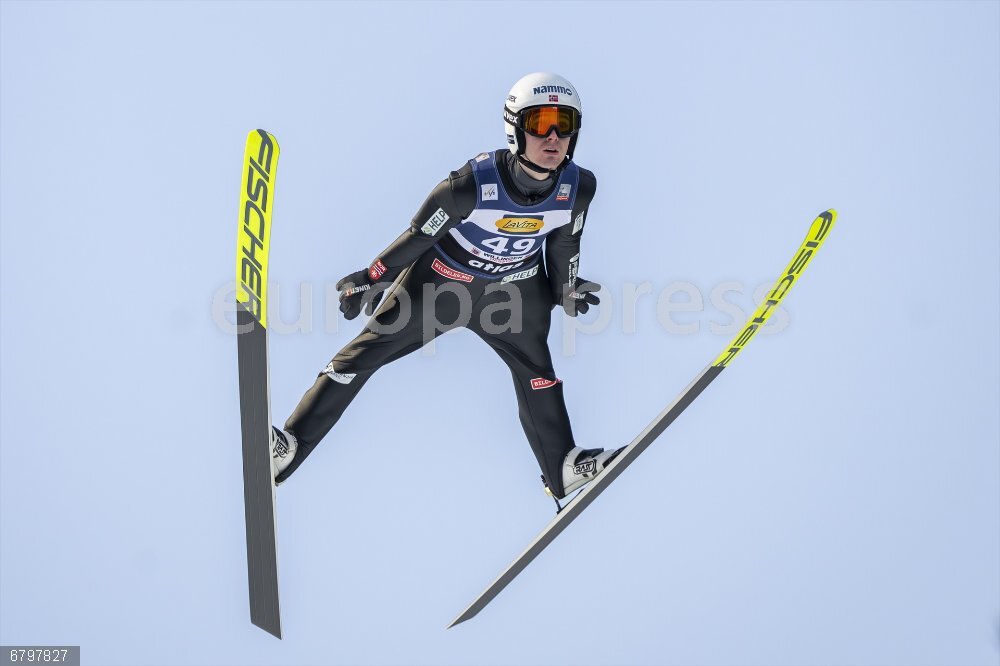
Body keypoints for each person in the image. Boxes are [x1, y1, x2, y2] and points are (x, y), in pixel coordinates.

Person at [270, 72, 622, 500]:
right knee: (361, 355)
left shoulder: (578, 187)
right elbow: (419, 235)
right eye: (539, 124)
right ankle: (290, 446)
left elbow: (566, 242)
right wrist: (372, 278)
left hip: (512, 294)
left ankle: (562, 466)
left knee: (538, 374)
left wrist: (565, 289)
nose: (552, 138)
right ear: (515, 129)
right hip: (441, 285)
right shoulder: (469, 186)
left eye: (564, 125)